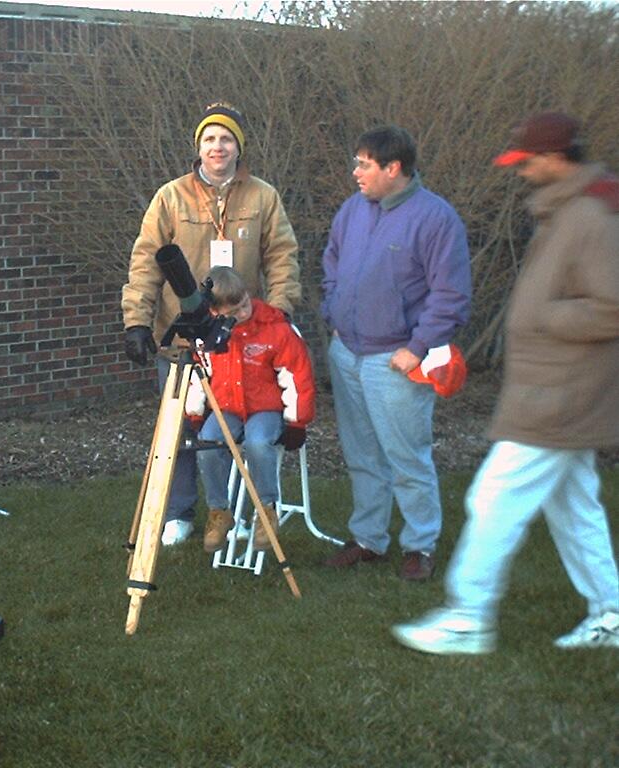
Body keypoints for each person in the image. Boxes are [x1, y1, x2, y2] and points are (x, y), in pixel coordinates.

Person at [393, 111, 619, 653]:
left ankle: (467, 617)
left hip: (561, 395)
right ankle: (611, 613)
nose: (521, 171)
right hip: (553, 388)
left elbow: (611, 306)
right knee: (576, 508)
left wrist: (543, 317)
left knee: (494, 497)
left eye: (528, 161)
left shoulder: (591, 216)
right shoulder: (566, 209)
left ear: (557, 158)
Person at [122, 102, 302, 547]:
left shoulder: (263, 197)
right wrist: (137, 320)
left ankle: (243, 509)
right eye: (209, 139)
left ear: (238, 147)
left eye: (225, 139)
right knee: (182, 431)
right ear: (198, 147)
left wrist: (278, 314)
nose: (217, 147)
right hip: (182, 338)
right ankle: (180, 513)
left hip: (239, 339)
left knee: (237, 426)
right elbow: (146, 261)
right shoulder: (171, 197)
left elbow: (282, 258)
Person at [320, 125, 471, 581]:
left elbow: (451, 295)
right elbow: (332, 261)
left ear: (394, 168)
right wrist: (332, 309)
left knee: (407, 457)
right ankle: (369, 539)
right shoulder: (353, 209)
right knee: (362, 454)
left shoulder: (436, 219)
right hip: (347, 353)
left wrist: (416, 348)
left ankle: (420, 545)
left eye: (364, 165)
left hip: (396, 362)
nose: (355, 172)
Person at [186, 267, 316, 553]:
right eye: (235, 311)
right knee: (208, 443)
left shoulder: (274, 328)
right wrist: (195, 411)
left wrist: (297, 421)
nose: (244, 312)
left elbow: (296, 376)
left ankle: (266, 510)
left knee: (258, 443)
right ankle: (219, 511)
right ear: (216, 312)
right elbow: (199, 373)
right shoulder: (209, 335)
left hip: (265, 409)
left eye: (245, 303)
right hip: (227, 408)